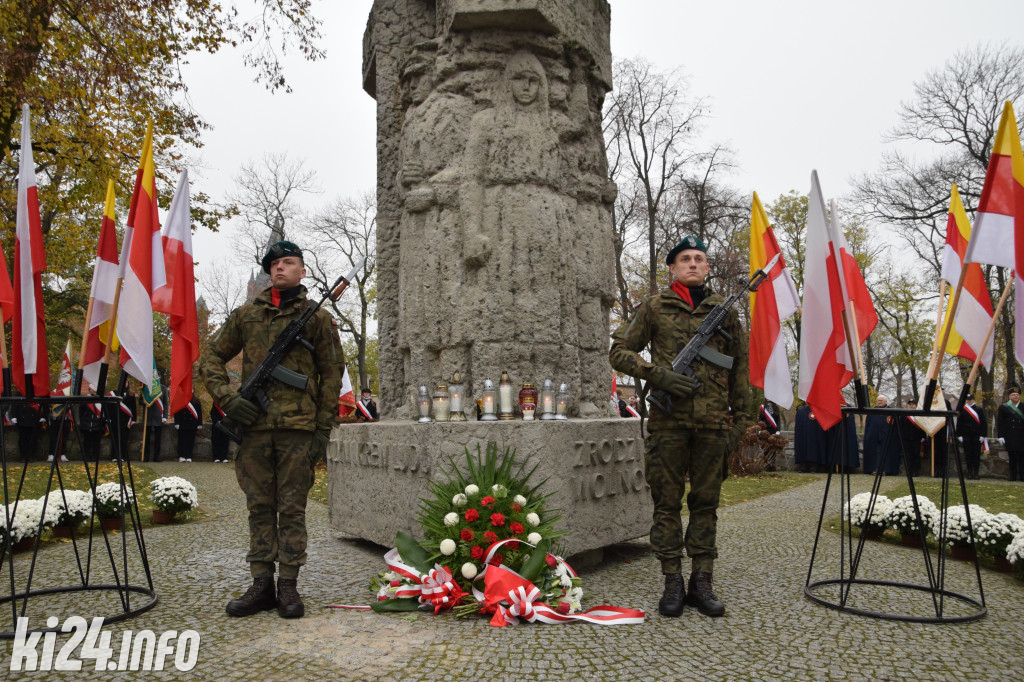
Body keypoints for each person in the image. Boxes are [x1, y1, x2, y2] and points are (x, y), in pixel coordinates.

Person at [202, 240, 344, 619]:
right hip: (253, 429)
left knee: (292, 509)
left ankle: (289, 587)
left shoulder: (317, 318)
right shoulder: (246, 315)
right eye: (274, 264)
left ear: (302, 270)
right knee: (259, 507)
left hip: (299, 429)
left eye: (288, 262)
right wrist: (227, 399)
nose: (279, 268)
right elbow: (210, 356)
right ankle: (261, 584)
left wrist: (323, 429)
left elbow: (332, 374)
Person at [609, 235, 750, 619]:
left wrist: (742, 423)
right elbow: (619, 350)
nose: (692, 264)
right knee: (666, 505)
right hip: (669, 424)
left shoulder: (724, 311)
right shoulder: (654, 307)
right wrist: (659, 376)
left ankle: (701, 580)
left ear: (707, 268)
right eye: (684, 259)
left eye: (699, 259)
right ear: (672, 268)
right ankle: (672, 580)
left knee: (706, 505)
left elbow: (741, 368)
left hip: (713, 426)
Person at [956, 393, 987, 480]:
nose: (969, 401)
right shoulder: (962, 410)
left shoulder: (979, 409)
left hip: (976, 435)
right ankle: (969, 473)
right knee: (968, 455)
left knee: (976, 455)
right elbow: (959, 423)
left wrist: (983, 435)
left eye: (970, 399)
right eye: (968, 399)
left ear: (973, 400)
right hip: (966, 435)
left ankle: (976, 473)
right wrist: (959, 435)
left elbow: (984, 423)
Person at [997, 385, 1024, 482]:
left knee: (1022, 457)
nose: (1016, 396)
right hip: (1010, 436)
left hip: (1021, 436)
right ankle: (1012, 476)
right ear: (1009, 396)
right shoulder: (1004, 407)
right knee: (1012, 457)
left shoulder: (1023, 406)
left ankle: (1022, 476)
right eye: (1013, 395)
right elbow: (1000, 423)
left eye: (1017, 394)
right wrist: (1000, 436)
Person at [794, 405, 828, 473]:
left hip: (815, 436)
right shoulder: (801, 411)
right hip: (803, 435)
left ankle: (814, 466)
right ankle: (803, 466)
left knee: (814, 449)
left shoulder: (820, 411)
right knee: (803, 447)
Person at [861, 394, 889, 475]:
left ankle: (884, 469)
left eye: (881, 400)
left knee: (884, 452)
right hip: (874, 437)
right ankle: (875, 469)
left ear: (885, 401)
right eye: (878, 400)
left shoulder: (890, 410)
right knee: (875, 453)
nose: (879, 402)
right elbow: (868, 424)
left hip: (886, 436)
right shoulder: (873, 411)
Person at [899, 398, 926, 477]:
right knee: (908, 456)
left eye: (913, 404)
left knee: (916, 455)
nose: (911, 406)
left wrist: (923, 436)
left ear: (915, 405)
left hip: (916, 438)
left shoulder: (919, 415)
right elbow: (901, 427)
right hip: (906, 438)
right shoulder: (904, 415)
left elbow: (922, 426)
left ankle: (915, 471)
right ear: (908, 405)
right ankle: (909, 471)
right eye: (910, 404)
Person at [78, 389, 106, 462]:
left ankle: (95, 457)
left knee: (96, 443)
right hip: (87, 425)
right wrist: (83, 422)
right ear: (89, 390)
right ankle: (86, 457)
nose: (93, 391)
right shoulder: (85, 400)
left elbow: (104, 413)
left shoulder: (101, 400)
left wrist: (102, 423)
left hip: (97, 426)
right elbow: (81, 413)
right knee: (87, 442)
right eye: (92, 390)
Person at [174, 393, 203, 462]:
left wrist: (199, 423)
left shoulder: (196, 401)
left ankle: (189, 456)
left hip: (192, 424)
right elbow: (177, 411)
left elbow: (199, 412)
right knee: (182, 440)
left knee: (191, 441)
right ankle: (181, 455)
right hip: (182, 423)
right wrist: (177, 422)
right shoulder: (180, 400)